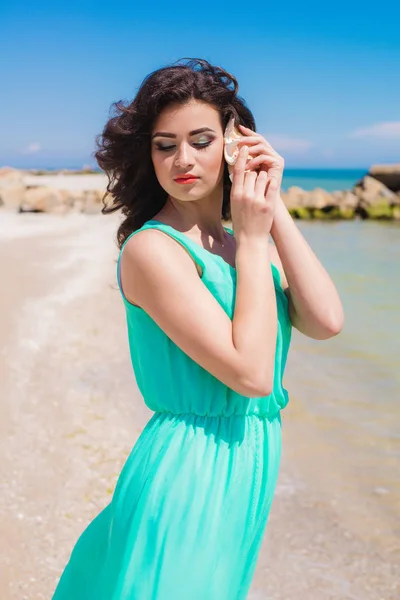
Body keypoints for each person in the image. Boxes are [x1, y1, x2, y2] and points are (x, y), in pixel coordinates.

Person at [52, 58, 344, 600]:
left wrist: (270, 203)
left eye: (202, 140)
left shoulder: (242, 241)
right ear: (149, 153)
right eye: (165, 144)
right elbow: (253, 375)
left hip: (249, 466)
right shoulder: (152, 250)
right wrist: (256, 241)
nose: (182, 159)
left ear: (235, 145)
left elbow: (326, 321)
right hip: (190, 469)